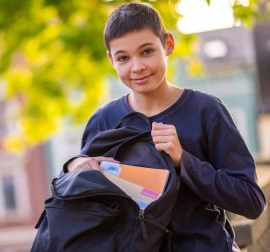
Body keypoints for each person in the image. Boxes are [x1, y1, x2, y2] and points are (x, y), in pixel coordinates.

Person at [63, 2, 266, 251]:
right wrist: (74, 166)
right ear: (111, 60)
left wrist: (184, 161)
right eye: (123, 58)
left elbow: (251, 202)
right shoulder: (103, 120)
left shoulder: (206, 110)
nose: (137, 66)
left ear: (168, 44)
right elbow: (83, 201)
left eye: (147, 51)